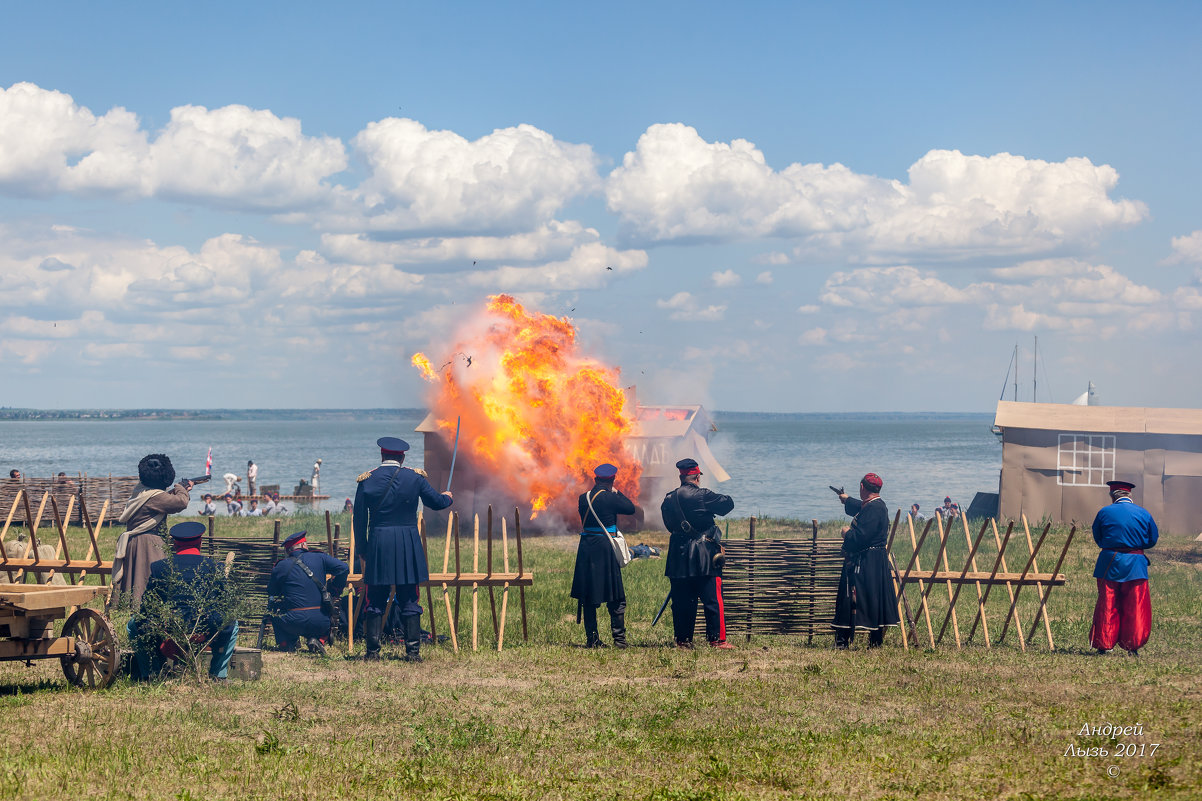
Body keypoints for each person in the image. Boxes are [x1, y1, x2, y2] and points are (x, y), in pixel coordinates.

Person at [354, 437, 453, 662]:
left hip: (379, 544)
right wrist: (447, 498)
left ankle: (372, 653)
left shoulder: (367, 480)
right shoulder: (414, 478)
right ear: (403, 457)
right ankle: (413, 653)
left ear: (382, 455)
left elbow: (359, 520)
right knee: (410, 597)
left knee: (374, 599)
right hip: (407, 543)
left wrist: (363, 549)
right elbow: (436, 502)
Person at [126, 521, 239, 682]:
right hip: (205, 631)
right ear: (200, 543)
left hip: (170, 631)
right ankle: (218, 675)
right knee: (232, 624)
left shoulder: (159, 567)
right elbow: (226, 603)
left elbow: (148, 606)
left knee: (133, 625)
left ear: (174, 544)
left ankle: (151, 673)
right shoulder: (215, 567)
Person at [660, 458, 735, 649]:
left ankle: (683, 640)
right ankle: (717, 639)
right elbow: (728, 504)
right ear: (697, 477)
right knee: (712, 599)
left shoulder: (668, 499)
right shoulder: (704, 495)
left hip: (678, 557)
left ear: (681, 477)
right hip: (704, 556)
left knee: (682, 601)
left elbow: (669, 525)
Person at [110, 454, 194, 612]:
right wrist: (181, 487)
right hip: (149, 545)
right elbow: (181, 502)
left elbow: (162, 498)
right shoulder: (155, 497)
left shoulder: (140, 493)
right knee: (149, 585)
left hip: (134, 544)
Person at [1089, 480, 1158, 655]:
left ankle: (1104, 644)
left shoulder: (1104, 512)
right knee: (1136, 605)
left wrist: (1111, 545)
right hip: (1136, 564)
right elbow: (1152, 539)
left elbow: (1098, 536)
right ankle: (1132, 645)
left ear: (1112, 496)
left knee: (1107, 602)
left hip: (1109, 562)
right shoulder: (1144, 513)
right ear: (1129, 495)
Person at [571, 464, 635, 648]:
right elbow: (630, 508)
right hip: (605, 547)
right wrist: (617, 492)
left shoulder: (583, 498)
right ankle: (619, 640)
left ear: (595, 479)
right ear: (612, 480)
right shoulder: (610, 497)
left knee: (588, 597)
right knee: (616, 596)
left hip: (586, 548)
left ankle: (592, 640)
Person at [832, 473, 900, 648]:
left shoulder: (875, 509)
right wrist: (846, 500)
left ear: (862, 487)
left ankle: (843, 642)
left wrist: (846, 533)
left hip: (866, 561)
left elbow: (860, 537)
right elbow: (862, 507)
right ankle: (874, 641)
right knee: (873, 598)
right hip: (873, 560)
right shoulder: (876, 506)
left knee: (851, 598)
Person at [266, 530, 350, 655]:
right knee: (327, 611)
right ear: (304, 545)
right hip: (320, 622)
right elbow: (344, 568)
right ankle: (319, 640)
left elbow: (272, 592)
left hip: (293, 622)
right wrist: (334, 590)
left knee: (273, 611)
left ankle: (287, 643)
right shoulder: (320, 557)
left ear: (288, 551)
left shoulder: (281, 566)